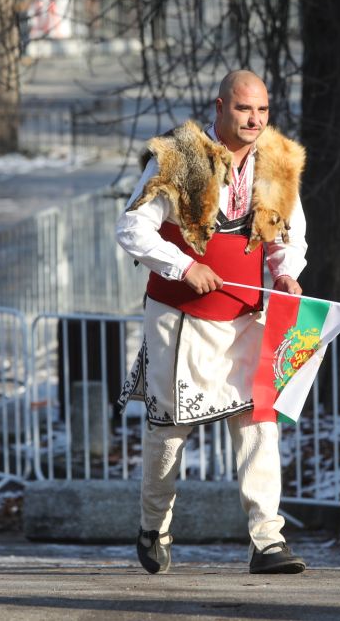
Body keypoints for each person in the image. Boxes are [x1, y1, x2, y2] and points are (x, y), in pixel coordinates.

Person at [116, 70, 308, 575]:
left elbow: (285, 236)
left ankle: (267, 541)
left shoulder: (279, 162)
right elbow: (132, 227)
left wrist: (286, 274)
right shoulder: (179, 158)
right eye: (245, 109)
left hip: (248, 316)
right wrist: (184, 265)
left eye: (263, 111)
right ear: (220, 107)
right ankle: (153, 526)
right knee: (169, 433)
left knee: (258, 423)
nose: (255, 120)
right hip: (180, 317)